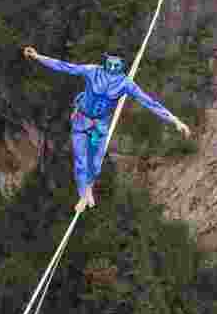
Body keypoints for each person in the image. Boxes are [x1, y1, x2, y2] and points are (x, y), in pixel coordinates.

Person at [22, 46, 192, 214]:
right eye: (110, 62)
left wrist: (175, 121)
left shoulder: (126, 84)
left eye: (116, 64)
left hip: (99, 126)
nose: (112, 67)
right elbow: (65, 67)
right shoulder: (92, 71)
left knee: (95, 162)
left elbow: (149, 102)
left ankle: (88, 186)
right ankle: (83, 194)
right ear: (105, 61)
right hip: (81, 121)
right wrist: (38, 57)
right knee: (81, 159)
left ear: (122, 64)